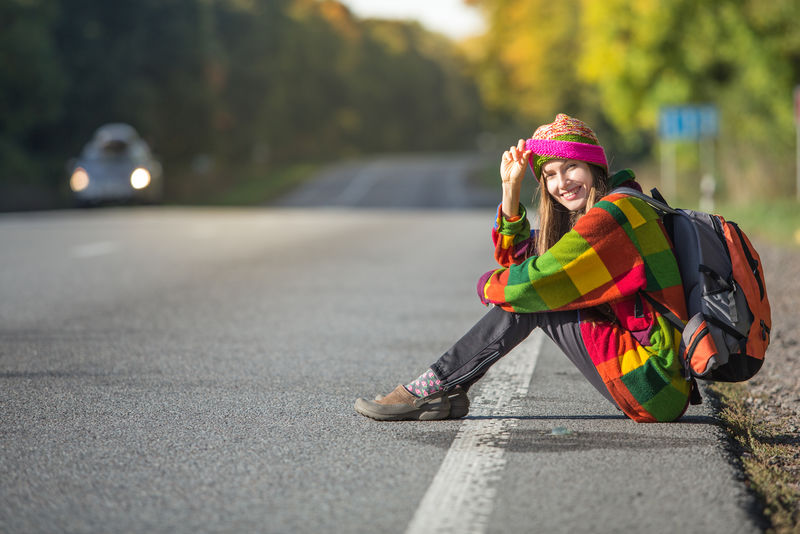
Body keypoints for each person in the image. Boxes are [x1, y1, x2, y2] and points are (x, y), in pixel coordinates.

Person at [354, 113, 691, 423]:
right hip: (657, 381)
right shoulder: (609, 208)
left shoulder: (613, 217)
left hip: (654, 381)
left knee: (536, 297)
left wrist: (488, 285)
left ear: (593, 167)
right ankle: (444, 389)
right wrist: (510, 188)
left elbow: (532, 282)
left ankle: (432, 387)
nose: (561, 183)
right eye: (549, 175)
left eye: (571, 166)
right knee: (537, 290)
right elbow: (522, 256)